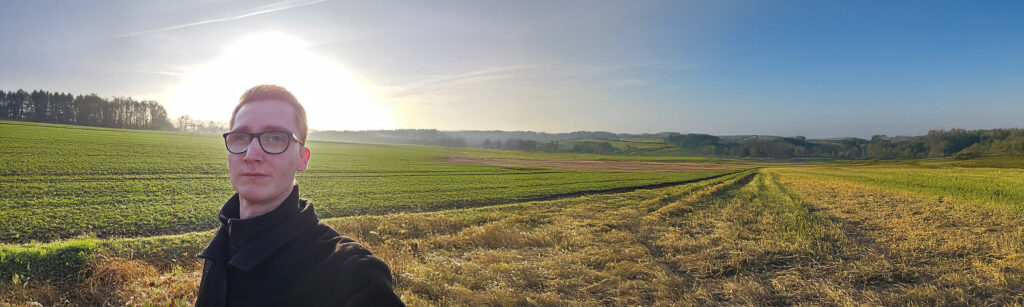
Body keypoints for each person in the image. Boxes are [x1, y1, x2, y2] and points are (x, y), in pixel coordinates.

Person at [195, 84, 404, 306]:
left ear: (302, 158)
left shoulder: (353, 275)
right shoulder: (222, 246)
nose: (251, 154)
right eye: (240, 138)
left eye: (275, 138)